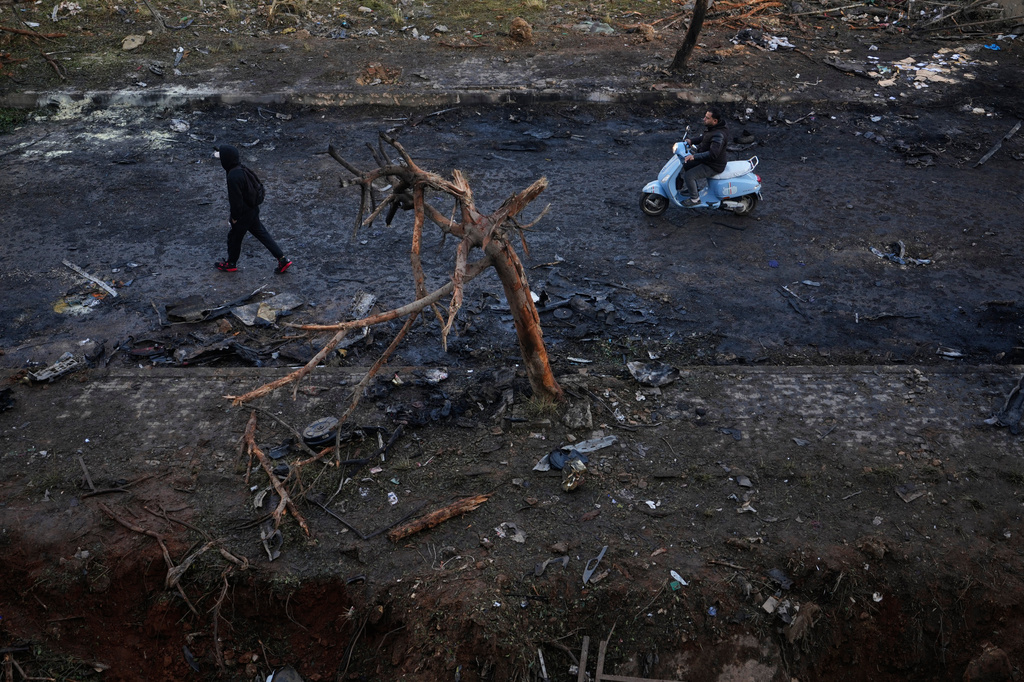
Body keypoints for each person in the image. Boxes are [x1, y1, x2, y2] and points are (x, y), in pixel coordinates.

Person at [214, 144, 292, 273]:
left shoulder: (233, 176)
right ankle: (282, 259)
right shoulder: (242, 169)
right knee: (263, 235)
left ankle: (231, 263)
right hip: (252, 210)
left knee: (234, 238)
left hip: (243, 214)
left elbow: (236, 201)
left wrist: (234, 217)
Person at [681, 108, 729, 207]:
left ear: (715, 121)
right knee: (686, 165)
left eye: (707, 118)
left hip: (714, 165)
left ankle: (695, 199)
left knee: (689, 176)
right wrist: (691, 141)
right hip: (707, 160)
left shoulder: (719, 135)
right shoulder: (713, 129)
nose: (704, 119)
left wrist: (695, 156)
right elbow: (704, 138)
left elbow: (713, 154)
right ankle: (694, 189)